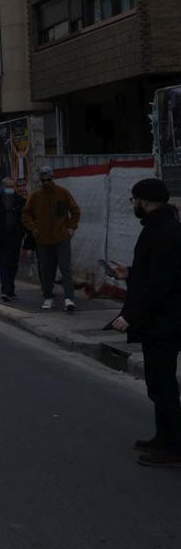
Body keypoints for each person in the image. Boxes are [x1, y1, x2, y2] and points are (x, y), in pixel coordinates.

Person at [108, 178, 181, 468]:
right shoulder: (158, 227)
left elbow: (160, 284)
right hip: (160, 320)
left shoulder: (164, 232)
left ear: (145, 201)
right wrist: (130, 273)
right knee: (156, 383)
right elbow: (153, 272)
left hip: (166, 321)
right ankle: (163, 437)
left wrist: (129, 316)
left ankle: (175, 447)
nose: (133, 204)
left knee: (163, 386)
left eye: (134, 199)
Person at [22, 165, 81, 312]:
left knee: (65, 268)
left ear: (52, 178)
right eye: (43, 180)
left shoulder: (62, 193)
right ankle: (48, 296)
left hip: (61, 238)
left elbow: (75, 210)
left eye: (48, 179)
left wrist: (71, 227)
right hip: (43, 240)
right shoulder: (35, 196)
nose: (46, 182)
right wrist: (34, 229)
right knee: (46, 270)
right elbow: (25, 214)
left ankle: (69, 298)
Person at [0, 177, 26, 302]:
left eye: (12, 186)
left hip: (15, 237)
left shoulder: (20, 201)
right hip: (0, 237)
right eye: (7, 186)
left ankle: (10, 288)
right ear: (2, 187)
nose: (10, 189)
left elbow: (25, 219)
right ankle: (5, 290)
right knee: (3, 262)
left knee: (13, 264)